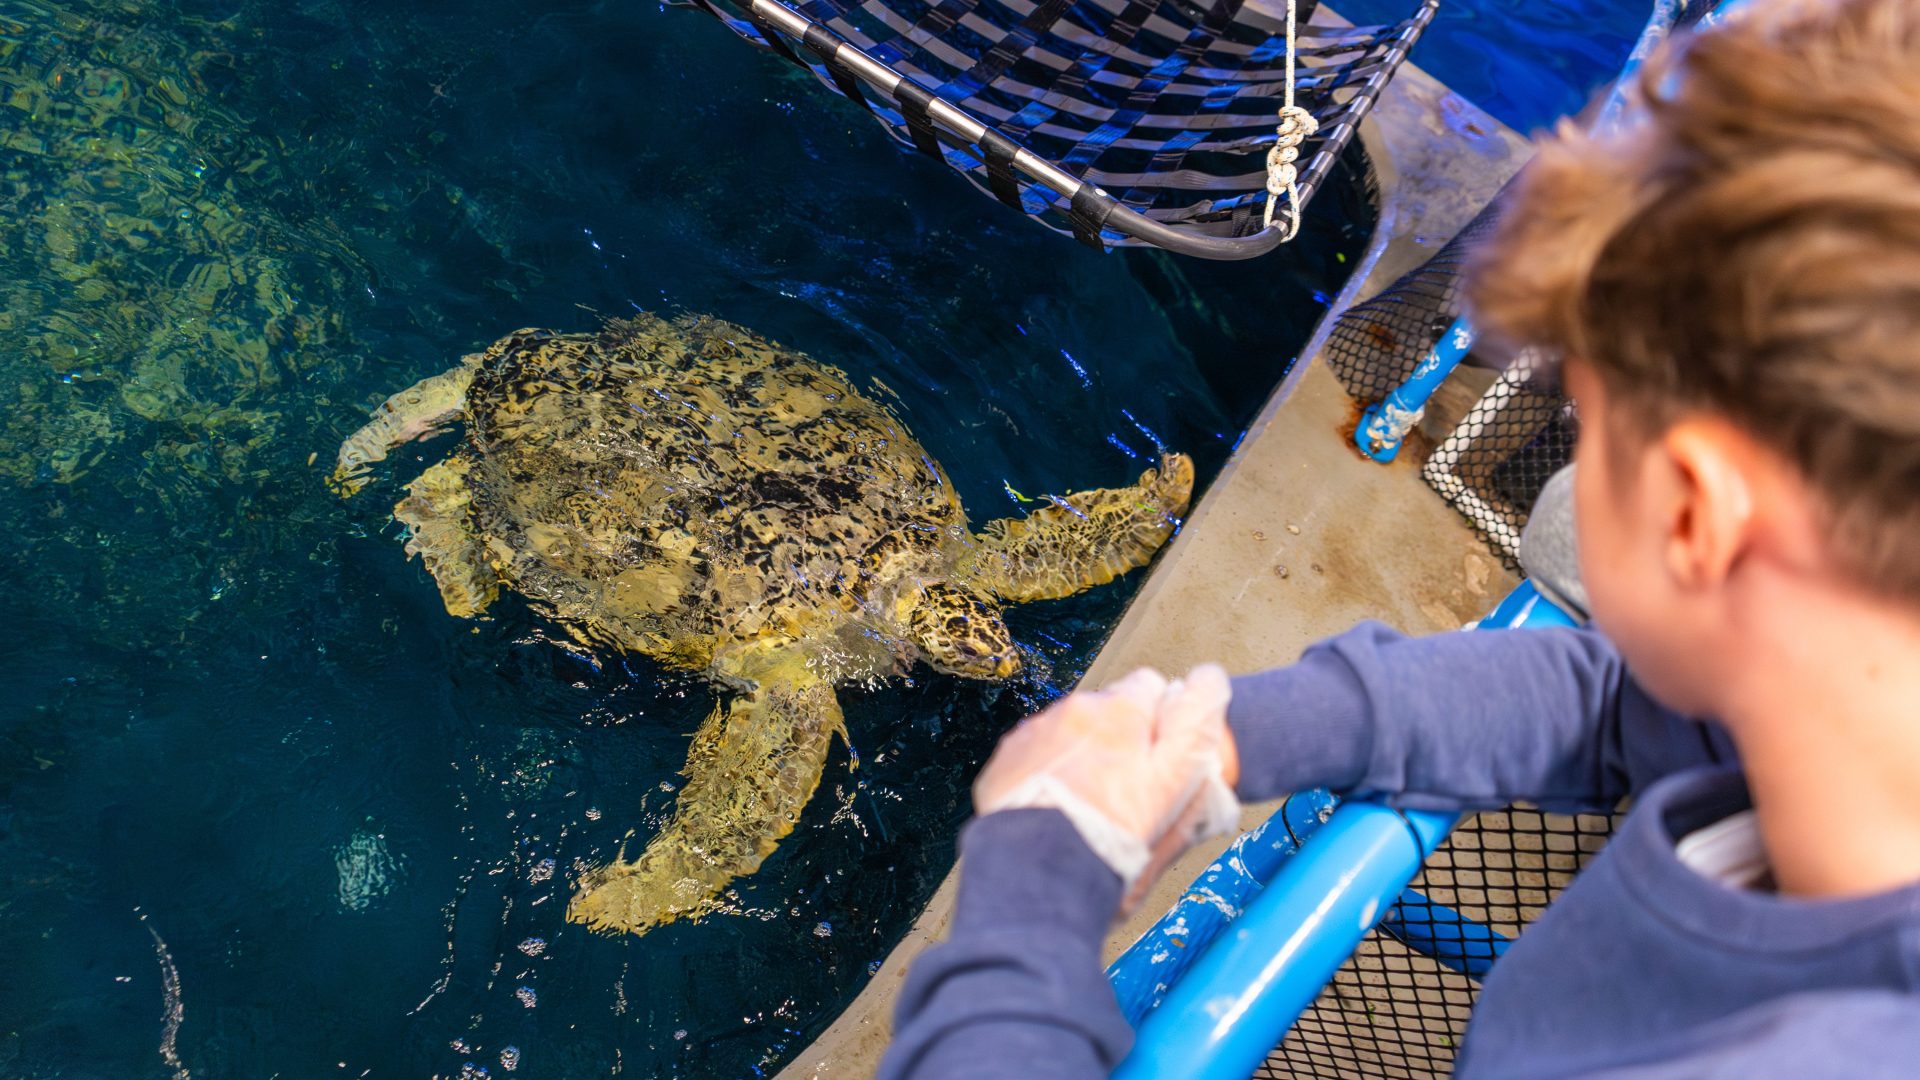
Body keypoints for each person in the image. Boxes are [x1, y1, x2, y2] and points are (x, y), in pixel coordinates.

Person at [878, 0, 1920, 1074]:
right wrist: (1230, 732)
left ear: (1696, 517)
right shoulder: (1814, 711)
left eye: (1588, 433)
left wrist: (1025, 904)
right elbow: (1619, 702)